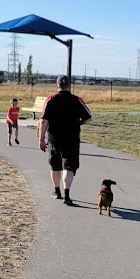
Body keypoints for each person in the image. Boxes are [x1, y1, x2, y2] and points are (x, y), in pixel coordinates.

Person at [38, 75, 91, 205]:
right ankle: (67, 194)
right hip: (72, 138)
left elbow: (43, 120)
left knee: (55, 165)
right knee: (69, 166)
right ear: (69, 85)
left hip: (54, 138)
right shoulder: (76, 100)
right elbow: (88, 117)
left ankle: (57, 192)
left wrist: (41, 139)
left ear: (57, 85)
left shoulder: (51, 100)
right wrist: (79, 123)